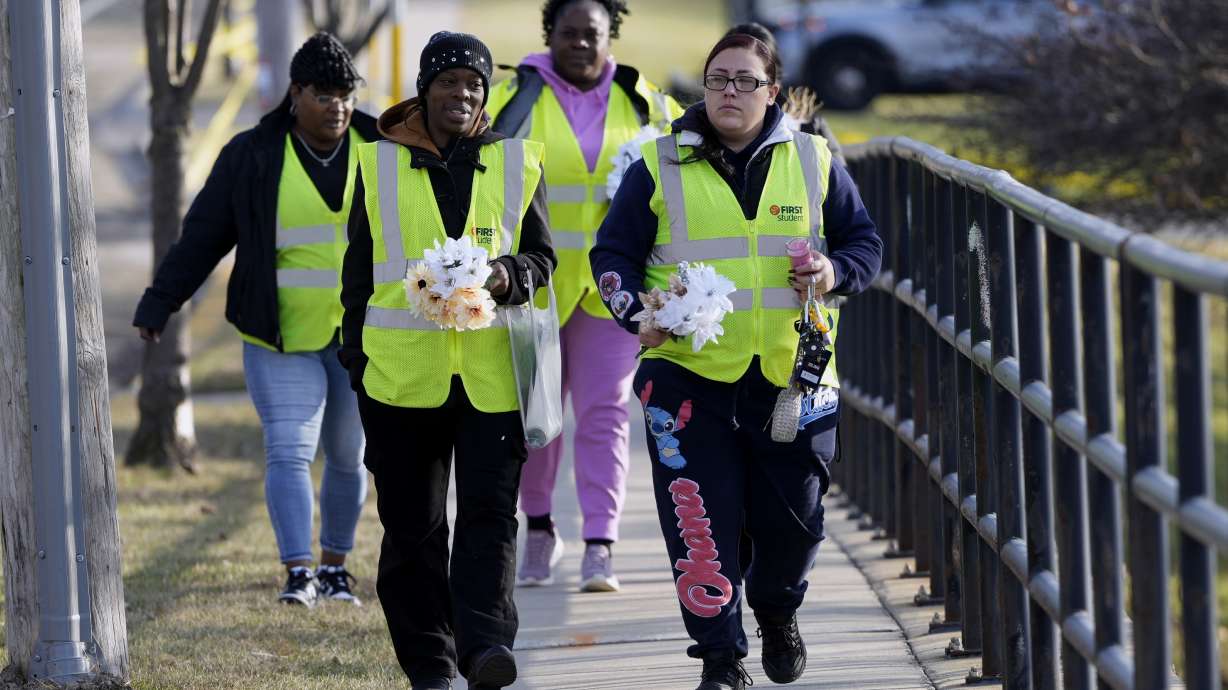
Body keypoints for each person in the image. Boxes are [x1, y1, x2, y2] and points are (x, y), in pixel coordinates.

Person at [589, 32, 883, 690]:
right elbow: (611, 257)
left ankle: (777, 610)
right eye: (718, 79)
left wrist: (833, 269)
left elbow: (865, 243)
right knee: (698, 518)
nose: (729, 91)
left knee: (795, 522)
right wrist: (638, 312)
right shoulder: (657, 165)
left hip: (794, 380)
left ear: (773, 92)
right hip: (688, 382)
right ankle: (721, 658)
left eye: (745, 81)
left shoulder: (814, 159)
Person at [338, 32, 555, 690]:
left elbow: (542, 262)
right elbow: (356, 276)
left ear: (485, 97)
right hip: (401, 379)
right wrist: (357, 360)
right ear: (425, 90)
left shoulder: (518, 163)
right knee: (413, 528)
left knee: (490, 516)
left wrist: (506, 276)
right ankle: (430, 662)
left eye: (474, 84)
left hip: (493, 380)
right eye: (448, 82)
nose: (461, 93)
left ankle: (486, 643)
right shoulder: (375, 165)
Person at [132, 32, 376, 608]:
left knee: (348, 454)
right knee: (289, 450)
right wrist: (160, 300)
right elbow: (204, 236)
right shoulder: (252, 154)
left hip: (362, 340)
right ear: (295, 93)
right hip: (277, 335)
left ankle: (336, 566)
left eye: (345, 93)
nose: (337, 106)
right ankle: (298, 570)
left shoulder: (381, 146)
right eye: (323, 94)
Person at [485, 0, 683, 593]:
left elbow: (695, 151)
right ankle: (541, 529)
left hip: (611, 292)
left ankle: (601, 542)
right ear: (550, 35)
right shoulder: (514, 99)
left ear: (610, 35)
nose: (578, 44)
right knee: (538, 419)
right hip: (534, 289)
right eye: (566, 34)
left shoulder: (643, 101)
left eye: (590, 34)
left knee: (605, 414)